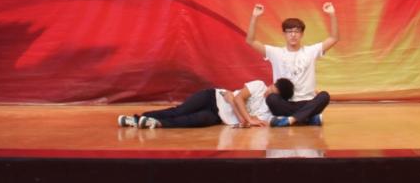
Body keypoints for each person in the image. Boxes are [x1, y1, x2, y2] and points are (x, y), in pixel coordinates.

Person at [246, 1, 338, 126]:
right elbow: (251, 41)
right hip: (285, 103)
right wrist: (255, 16)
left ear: (302, 34)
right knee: (272, 99)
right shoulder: (275, 52)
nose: (293, 35)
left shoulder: (311, 51)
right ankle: (308, 118)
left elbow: (334, 38)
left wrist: (332, 14)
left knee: (324, 96)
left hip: (307, 101)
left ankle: (290, 120)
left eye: (297, 31)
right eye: (289, 31)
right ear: (284, 34)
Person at [117, 78, 294, 129]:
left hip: (218, 117)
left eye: (274, 93)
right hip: (212, 97)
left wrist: (235, 106)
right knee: (180, 111)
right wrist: (246, 117)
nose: (269, 91)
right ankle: (137, 118)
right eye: (272, 87)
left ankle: (154, 123)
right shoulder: (259, 85)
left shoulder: (267, 113)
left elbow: (238, 108)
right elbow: (239, 99)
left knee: (191, 121)